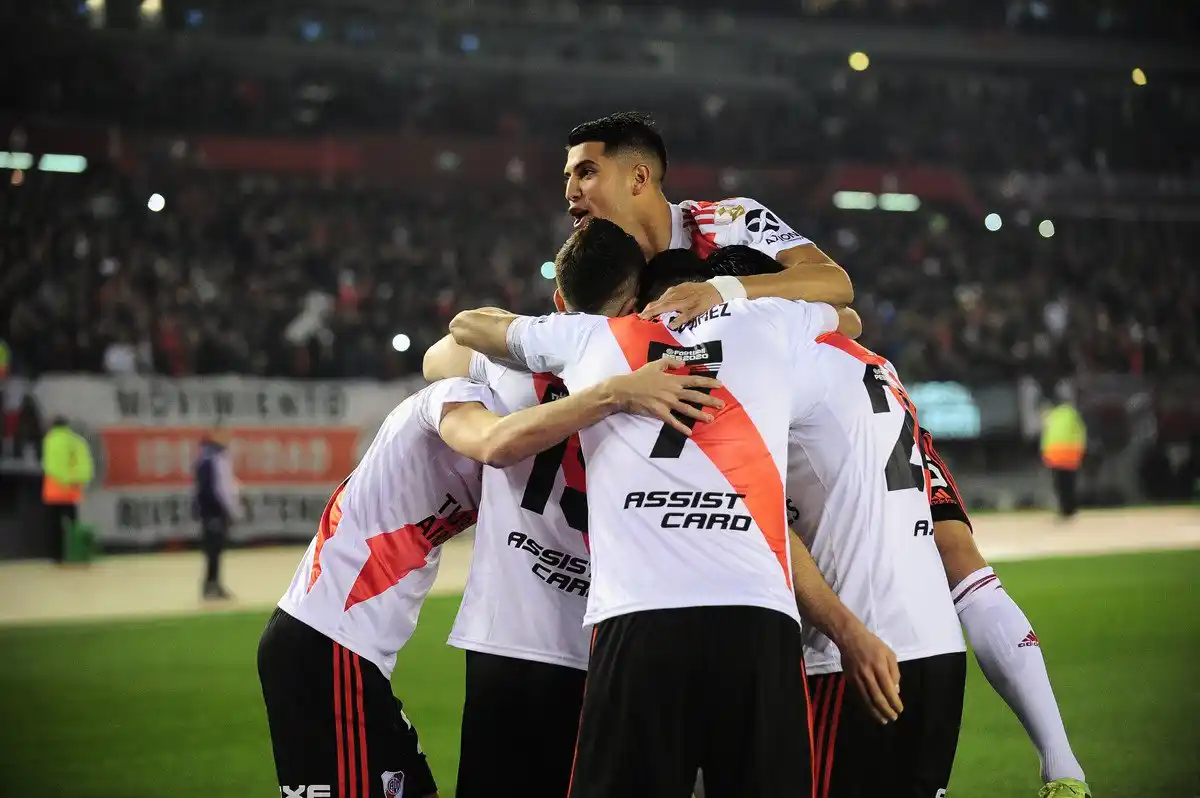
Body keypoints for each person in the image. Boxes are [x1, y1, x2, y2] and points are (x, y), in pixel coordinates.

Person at [425, 231, 886, 798]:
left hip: (635, 616)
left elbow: (467, 328)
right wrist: (730, 296)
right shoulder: (764, 322)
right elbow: (847, 318)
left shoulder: (593, 336)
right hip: (758, 615)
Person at [716, 244, 1091, 798]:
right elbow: (957, 557)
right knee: (961, 557)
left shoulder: (773, 368)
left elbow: (749, 508)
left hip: (851, 659)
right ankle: (1063, 769)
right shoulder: (877, 367)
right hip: (937, 651)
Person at [257, 369, 720, 798]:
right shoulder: (455, 397)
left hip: (350, 651)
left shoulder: (508, 423)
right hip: (325, 642)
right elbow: (496, 441)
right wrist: (614, 392)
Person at [561, 111, 854, 327]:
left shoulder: (729, 221)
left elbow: (835, 284)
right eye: (568, 177)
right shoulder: (588, 267)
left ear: (638, 178)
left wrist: (721, 291)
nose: (570, 192)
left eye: (586, 173)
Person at [193, 429, 240, 599]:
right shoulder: (213, 459)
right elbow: (221, 489)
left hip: (211, 510)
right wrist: (232, 509)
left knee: (215, 550)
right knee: (213, 550)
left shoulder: (212, 458)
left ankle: (212, 584)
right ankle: (211, 585)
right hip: (214, 510)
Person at [40, 415, 94, 563]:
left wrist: (61, 479)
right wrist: (75, 480)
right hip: (71, 490)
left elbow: (49, 465)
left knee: (54, 525)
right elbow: (85, 465)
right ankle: (76, 554)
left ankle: (57, 556)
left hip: (54, 490)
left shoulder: (49, 440)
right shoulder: (76, 441)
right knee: (73, 524)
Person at [1041, 386, 1087, 519]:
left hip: (1061, 455)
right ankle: (1067, 509)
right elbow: (1080, 432)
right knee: (1065, 485)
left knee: (1064, 485)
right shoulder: (1063, 414)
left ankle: (1068, 509)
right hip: (1063, 455)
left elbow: (1048, 435)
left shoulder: (1057, 414)